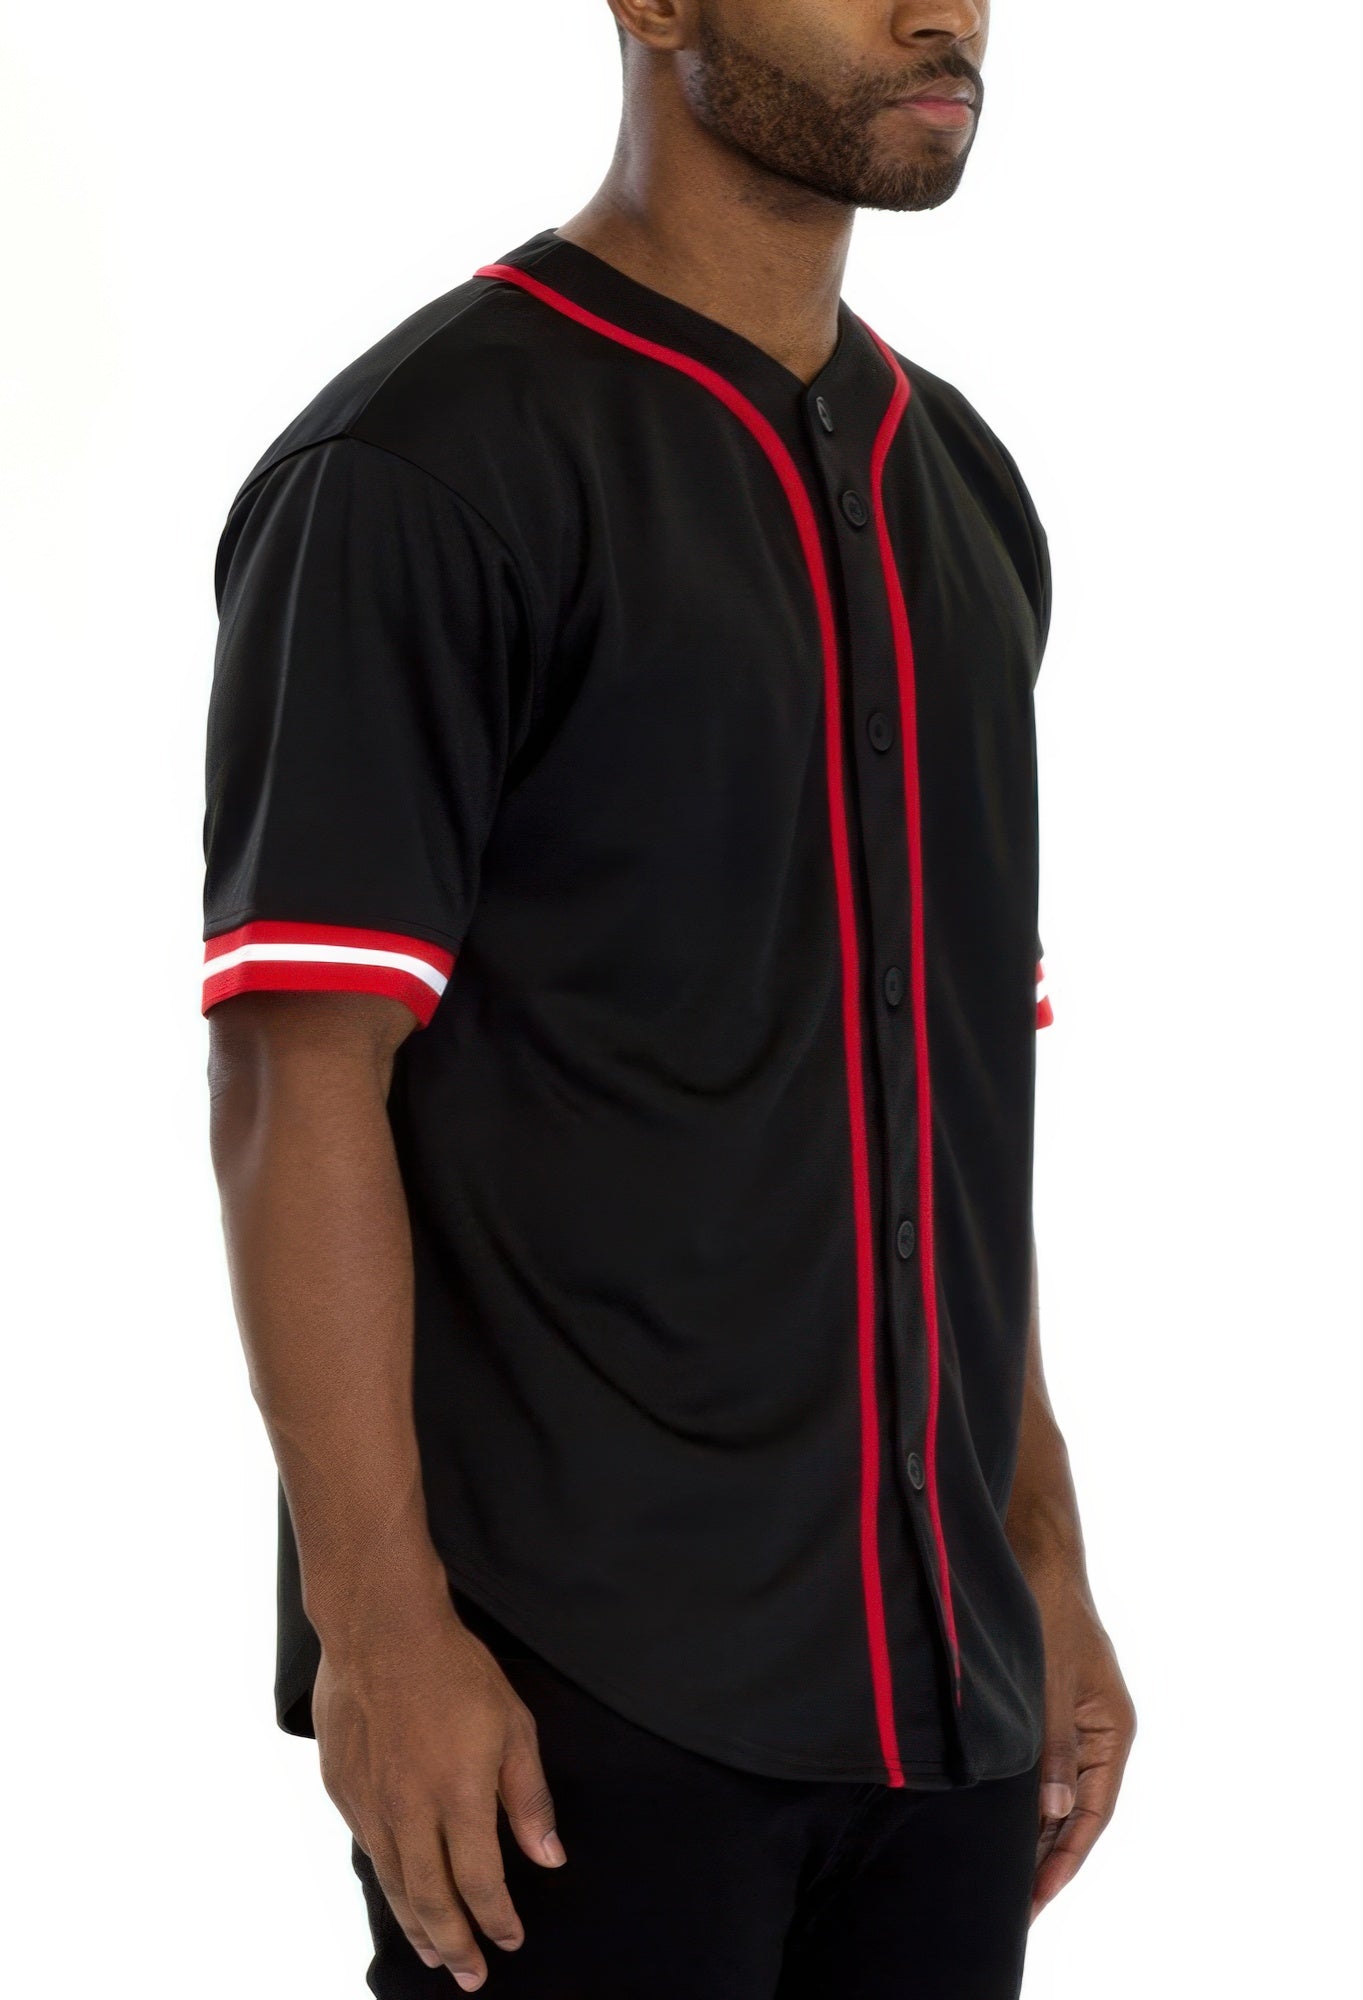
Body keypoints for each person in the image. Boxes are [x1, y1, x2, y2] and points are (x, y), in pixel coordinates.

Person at [203, 2, 1135, 1993]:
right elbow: (299, 1080)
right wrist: (380, 1635)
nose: (945, 12)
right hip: (575, 1712)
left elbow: (950, 1094)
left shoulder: (967, 493)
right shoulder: (422, 464)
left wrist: (1039, 1552)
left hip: (944, 1700)